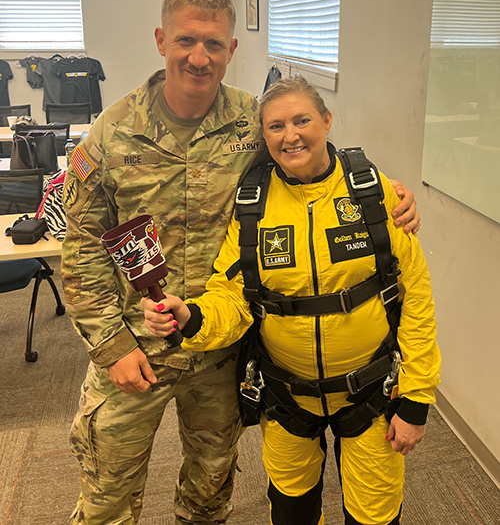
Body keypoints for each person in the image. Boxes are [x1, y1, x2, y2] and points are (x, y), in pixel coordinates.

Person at [62, 0, 420, 525]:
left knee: (211, 487)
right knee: (107, 491)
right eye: (185, 40)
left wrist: (390, 193)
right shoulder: (110, 133)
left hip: (221, 347)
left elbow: (309, 157)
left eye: (213, 44)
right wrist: (110, 346)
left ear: (232, 49)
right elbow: (82, 249)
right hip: (136, 346)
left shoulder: (252, 122)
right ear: (161, 40)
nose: (198, 56)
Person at [142, 77, 440, 525]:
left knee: (375, 514)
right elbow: (233, 295)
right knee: (292, 510)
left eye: (302, 120)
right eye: (276, 126)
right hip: (285, 395)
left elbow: (416, 299)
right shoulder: (253, 205)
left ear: (326, 120)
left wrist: (416, 402)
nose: (290, 135)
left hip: (371, 392)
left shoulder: (374, 195)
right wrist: (192, 317)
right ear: (264, 137)